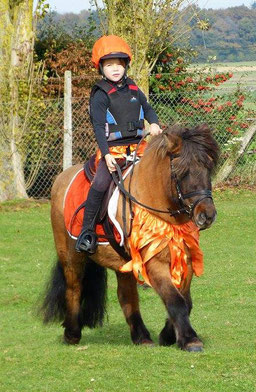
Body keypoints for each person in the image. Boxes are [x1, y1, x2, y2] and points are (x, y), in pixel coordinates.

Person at [75, 35, 162, 254]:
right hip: (113, 152)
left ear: (125, 66)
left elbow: (148, 109)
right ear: (101, 68)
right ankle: (87, 233)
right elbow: (97, 127)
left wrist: (154, 123)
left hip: (140, 148)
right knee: (100, 183)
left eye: (119, 64)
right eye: (109, 65)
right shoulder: (100, 94)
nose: (115, 69)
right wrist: (106, 155)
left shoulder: (133, 88)